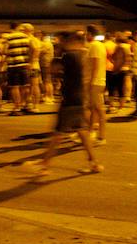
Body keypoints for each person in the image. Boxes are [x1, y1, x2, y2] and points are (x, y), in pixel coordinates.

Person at [27, 30, 101, 177]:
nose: (62, 43)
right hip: (79, 97)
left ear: (73, 41)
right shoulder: (82, 55)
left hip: (70, 99)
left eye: (64, 41)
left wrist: (58, 53)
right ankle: (94, 163)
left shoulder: (69, 56)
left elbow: (52, 69)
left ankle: (44, 165)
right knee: (82, 132)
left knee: (58, 133)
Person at [3, 23, 34, 114]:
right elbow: (32, 49)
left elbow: (4, 51)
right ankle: (25, 104)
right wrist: (30, 62)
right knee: (25, 85)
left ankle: (17, 107)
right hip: (24, 64)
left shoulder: (8, 37)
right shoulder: (26, 37)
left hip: (13, 65)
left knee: (14, 87)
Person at [85, 25, 108, 144]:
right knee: (94, 108)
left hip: (95, 82)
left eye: (86, 34)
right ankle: (90, 133)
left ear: (89, 34)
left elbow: (96, 65)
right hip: (98, 81)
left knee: (99, 109)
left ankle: (102, 137)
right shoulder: (99, 45)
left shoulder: (94, 45)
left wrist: (91, 82)